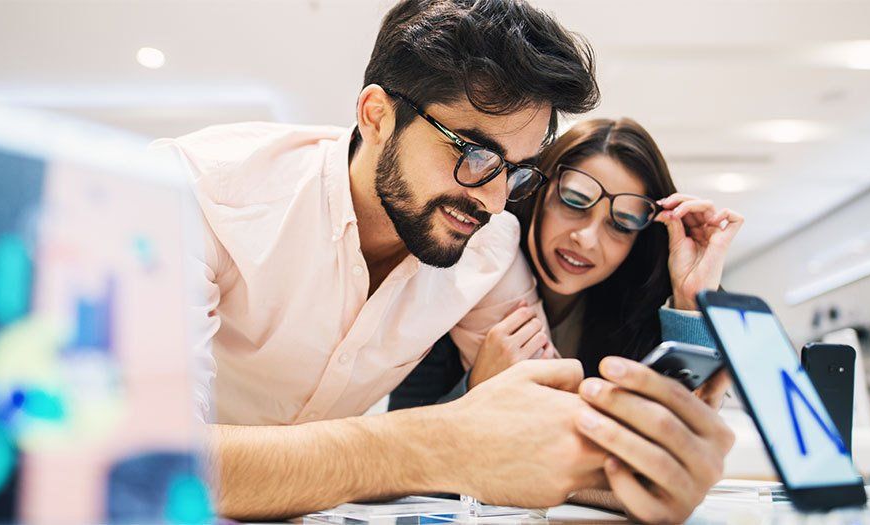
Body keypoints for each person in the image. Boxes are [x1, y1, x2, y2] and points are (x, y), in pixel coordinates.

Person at [155, 0, 729, 521]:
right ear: (376, 116)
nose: (494, 200)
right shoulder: (196, 193)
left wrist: (653, 466)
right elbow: (150, 464)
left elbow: (562, 433)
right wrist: (438, 442)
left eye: (516, 170)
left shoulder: (491, 246)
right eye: (475, 154)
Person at [391, 117, 745, 518]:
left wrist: (689, 296)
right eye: (574, 202)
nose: (588, 238)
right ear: (538, 191)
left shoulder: (633, 315)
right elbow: (396, 464)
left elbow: (671, 463)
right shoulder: (466, 283)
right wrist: (476, 390)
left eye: (621, 224)